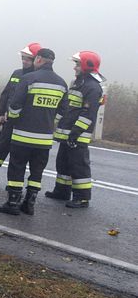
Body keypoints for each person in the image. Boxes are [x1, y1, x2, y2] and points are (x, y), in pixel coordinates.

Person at [0, 48, 67, 215]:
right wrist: (49, 121)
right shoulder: (61, 83)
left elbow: (15, 105)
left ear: (39, 59)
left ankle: (12, 203)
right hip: (44, 139)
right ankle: (29, 204)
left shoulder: (28, 78)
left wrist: (14, 120)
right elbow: (63, 110)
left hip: (23, 135)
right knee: (37, 172)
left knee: (17, 168)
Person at [0, 42, 41, 186]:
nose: (24, 61)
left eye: (28, 59)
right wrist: (2, 113)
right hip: (9, 120)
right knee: (0, 148)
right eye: (23, 58)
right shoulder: (17, 73)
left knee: (20, 155)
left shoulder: (37, 78)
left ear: (36, 59)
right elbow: (6, 93)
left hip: (24, 124)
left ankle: (16, 186)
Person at [45, 51, 105, 208]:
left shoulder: (92, 87)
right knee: (63, 163)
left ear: (87, 65)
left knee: (79, 166)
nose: (75, 67)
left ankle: (82, 198)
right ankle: (62, 191)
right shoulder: (79, 83)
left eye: (77, 64)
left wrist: (76, 132)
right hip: (68, 133)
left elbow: (88, 113)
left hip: (77, 135)